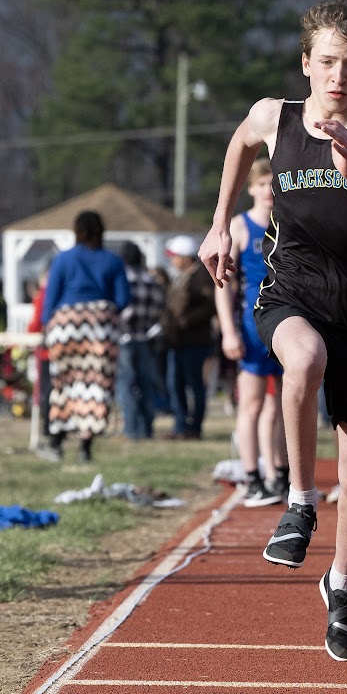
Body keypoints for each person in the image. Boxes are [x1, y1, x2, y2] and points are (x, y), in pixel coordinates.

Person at [199, 0, 347, 662]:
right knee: (306, 357)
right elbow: (239, 143)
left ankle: (341, 584)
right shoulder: (276, 117)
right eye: (327, 62)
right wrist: (218, 223)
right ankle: (298, 500)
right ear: (306, 64)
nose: (339, 76)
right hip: (291, 293)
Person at [214, 160, 287, 503]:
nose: (269, 190)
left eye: (274, 183)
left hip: (288, 321)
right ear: (252, 188)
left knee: (284, 405)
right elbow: (223, 284)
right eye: (262, 184)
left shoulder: (289, 221)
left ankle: (279, 473)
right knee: (252, 404)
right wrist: (228, 332)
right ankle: (251, 475)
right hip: (253, 324)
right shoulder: (241, 226)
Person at [42, 211, 128, 464]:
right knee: (95, 386)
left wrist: (47, 325)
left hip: (65, 326)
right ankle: (85, 447)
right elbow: (123, 299)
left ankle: (56, 442)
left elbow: (50, 298)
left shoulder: (63, 259)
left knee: (63, 384)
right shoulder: (113, 261)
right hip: (100, 328)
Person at [162, 234, 216, 440]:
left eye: (175, 256)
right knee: (175, 384)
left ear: (185, 257)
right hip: (178, 341)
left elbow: (210, 306)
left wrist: (186, 320)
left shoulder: (201, 277)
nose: (172, 260)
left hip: (195, 341)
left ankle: (194, 427)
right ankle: (181, 425)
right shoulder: (180, 277)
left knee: (195, 385)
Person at [115, 240, 166, 441]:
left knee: (126, 384)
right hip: (146, 337)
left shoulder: (121, 279)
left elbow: (117, 307)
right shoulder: (150, 280)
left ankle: (131, 428)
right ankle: (146, 427)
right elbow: (159, 307)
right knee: (146, 384)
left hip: (124, 337)